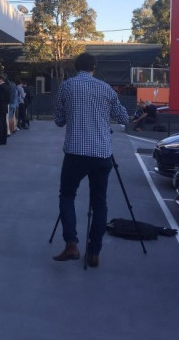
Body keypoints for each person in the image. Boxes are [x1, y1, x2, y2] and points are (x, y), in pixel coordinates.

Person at [52, 53, 129, 267]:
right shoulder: (106, 89)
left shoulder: (67, 87)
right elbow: (124, 118)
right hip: (102, 154)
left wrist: (74, 115)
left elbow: (59, 121)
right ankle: (94, 252)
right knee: (99, 203)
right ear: (94, 67)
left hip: (75, 153)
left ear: (76, 67)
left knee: (67, 196)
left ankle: (71, 244)